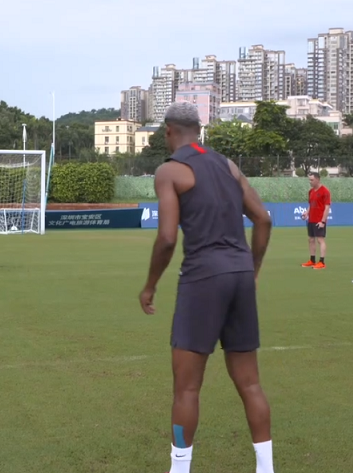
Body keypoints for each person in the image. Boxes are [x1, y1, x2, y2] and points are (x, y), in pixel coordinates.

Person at [138, 102, 274, 473]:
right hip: (240, 277)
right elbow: (263, 219)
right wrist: (253, 268)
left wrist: (149, 286)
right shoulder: (228, 165)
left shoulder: (169, 171)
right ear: (198, 131)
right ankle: (266, 468)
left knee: (186, 389)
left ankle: (179, 470)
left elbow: (167, 238)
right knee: (250, 383)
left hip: (202, 278)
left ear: (168, 131)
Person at [301, 172, 330, 269]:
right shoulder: (311, 191)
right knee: (311, 239)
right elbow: (311, 205)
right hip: (311, 220)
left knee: (320, 240)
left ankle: (322, 262)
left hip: (319, 220)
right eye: (309, 180)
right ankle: (312, 260)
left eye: (312, 180)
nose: (310, 182)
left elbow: (327, 208)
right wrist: (306, 213)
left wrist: (322, 221)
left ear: (318, 179)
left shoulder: (325, 191)